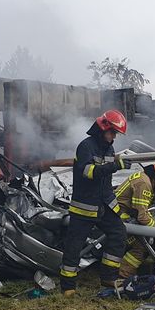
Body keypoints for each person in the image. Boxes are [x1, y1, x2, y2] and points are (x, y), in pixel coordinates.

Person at [59, 109, 129, 295]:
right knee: (74, 245)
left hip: (104, 204)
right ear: (102, 128)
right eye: (112, 132)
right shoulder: (85, 146)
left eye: (116, 134)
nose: (114, 137)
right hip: (85, 206)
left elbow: (105, 177)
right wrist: (114, 166)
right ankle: (68, 287)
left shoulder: (109, 148)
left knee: (119, 234)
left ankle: (109, 278)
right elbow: (88, 172)